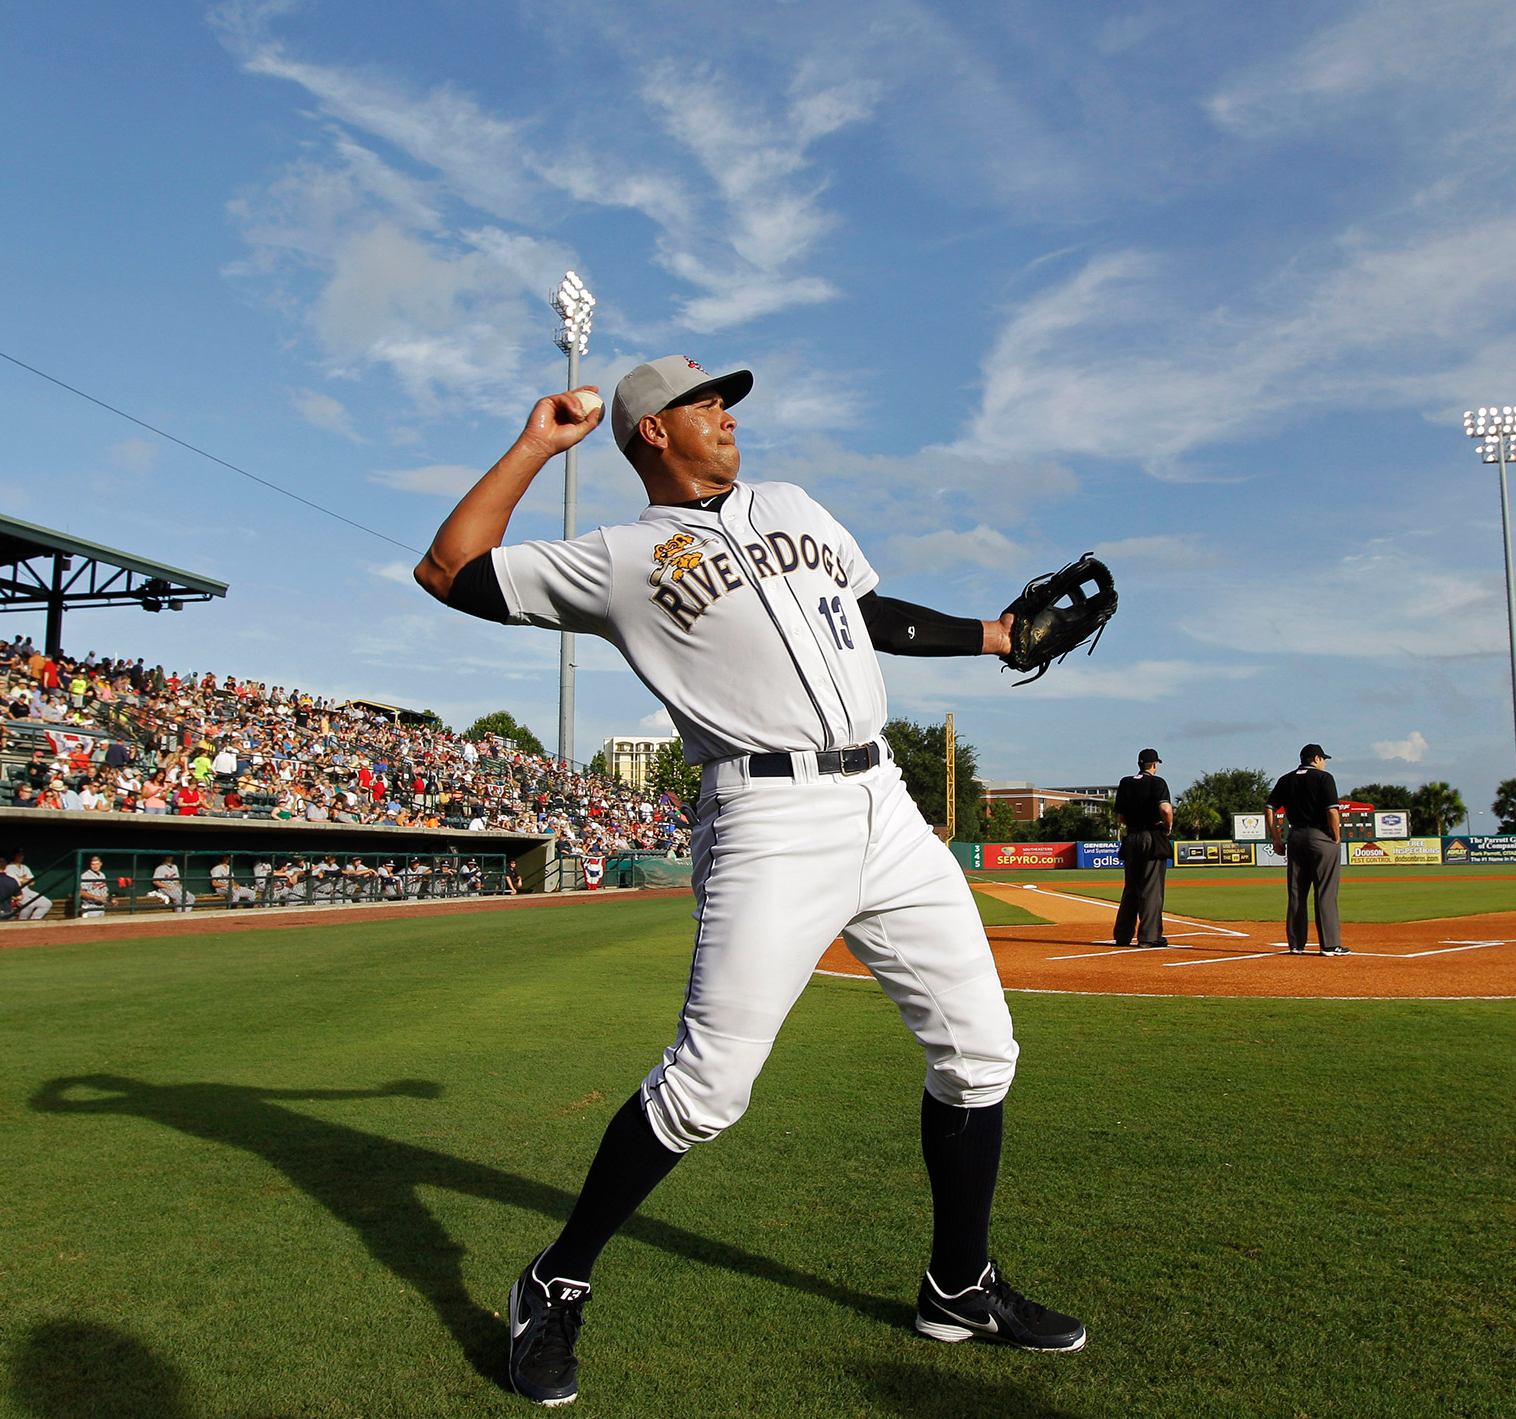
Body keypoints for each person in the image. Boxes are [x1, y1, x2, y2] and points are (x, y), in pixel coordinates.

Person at [414, 356, 1084, 1406]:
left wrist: (993, 636)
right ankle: (552, 1283)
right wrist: (540, 444)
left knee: (979, 1052)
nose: (724, 416)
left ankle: (956, 1284)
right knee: (706, 1089)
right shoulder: (620, 558)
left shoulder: (795, 505)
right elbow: (449, 570)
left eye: (725, 401)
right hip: (768, 819)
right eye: (702, 404)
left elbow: (870, 616)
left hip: (886, 805)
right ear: (649, 434)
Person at [1267, 743, 1345, 956]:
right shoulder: (1324, 778)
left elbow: (1269, 808)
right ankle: (1329, 945)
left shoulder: (1286, 779)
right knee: (1325, 891)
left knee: (1296, 892)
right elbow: (1332, 811)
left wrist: (1276, 838)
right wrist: (1336, 835)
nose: (1325, 763)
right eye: (1323, 759)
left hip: (1295, 836)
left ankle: (1296, 943)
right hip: (1320, 836)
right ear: (1317, 758)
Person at [1111, 749, 1174, 948]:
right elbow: (1165, 808)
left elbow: (1121, 816)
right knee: (1151, 889)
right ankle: (1149, 936)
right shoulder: (1158, 782)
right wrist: (1169, 825)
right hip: (1151, 836)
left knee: (1131, 887)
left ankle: (1122, 935)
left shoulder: (1125, 782)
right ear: (1154, 764)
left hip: (1131, 836)